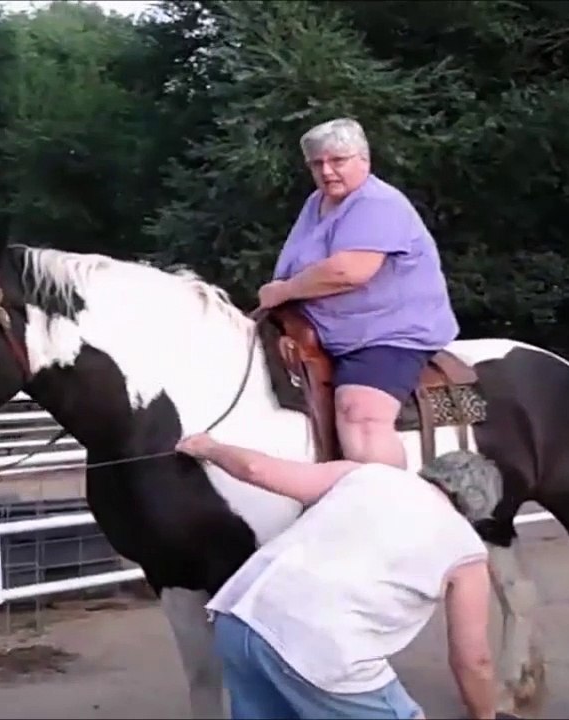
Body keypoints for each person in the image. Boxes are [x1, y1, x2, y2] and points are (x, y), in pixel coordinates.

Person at [175, 432, 498, 720]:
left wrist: (210, 447)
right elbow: (474, 660)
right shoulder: (466, 551)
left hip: (240, 617)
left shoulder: (365, 474)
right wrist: (484, 715)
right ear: (477, 509)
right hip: (321, 648)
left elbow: (254, 470)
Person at [255, 117, 460, 469]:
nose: (327, 171)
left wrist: (284, 290)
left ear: (364, 159)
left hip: (385, 334)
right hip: (321, 331)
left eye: (338, 160)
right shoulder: (316, 203)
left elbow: (349, 271)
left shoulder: (378, 203)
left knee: (359, 414)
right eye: (317, 163)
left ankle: (386, 504)